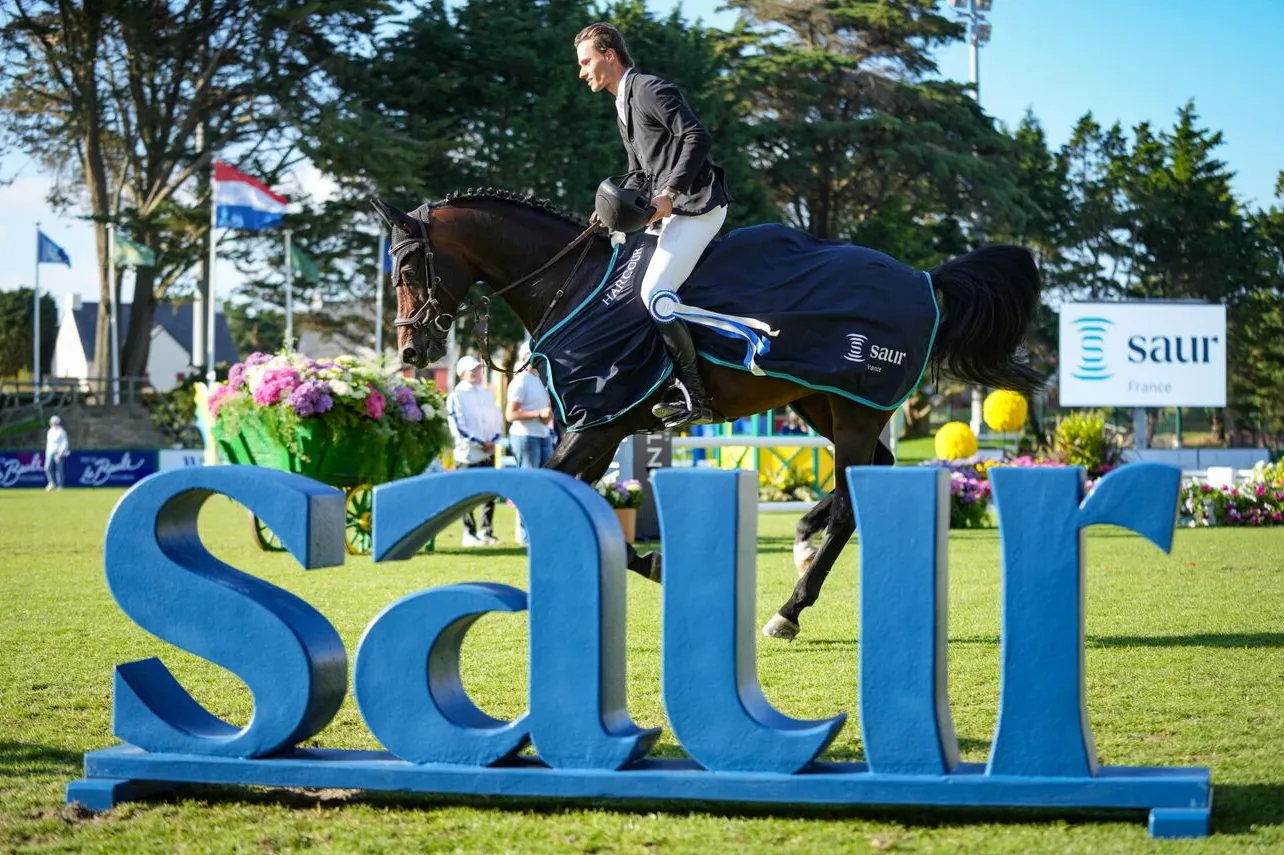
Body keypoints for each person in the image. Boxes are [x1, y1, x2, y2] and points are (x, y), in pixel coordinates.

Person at [575, 21, 731, 429]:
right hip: (668, 212)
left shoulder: (647, 88)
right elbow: (639, 170)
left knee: (655, 294)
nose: (582, 71)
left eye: (587, 61)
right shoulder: (621, 102)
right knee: (624, 291)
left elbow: (696, 135)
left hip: (696, 207)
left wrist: (671, 193)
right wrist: (608, 210)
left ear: (610, 55)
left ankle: (697, 397)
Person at [446, 355, 505, 547]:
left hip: (487, 452)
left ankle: (486, 531)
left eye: (478, 370)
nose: (477, 373)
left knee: (488, 493)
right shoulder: (456, 396)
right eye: (472, 371)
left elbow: (497, 418)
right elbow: (459, 425)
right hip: (468, 453)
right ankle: (468, 532)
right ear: (462, 374)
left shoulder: (486, 393)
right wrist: (480, 442)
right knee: (467, 493)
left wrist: (494, 440)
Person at [505, 340, 555, 546]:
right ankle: (525, 534)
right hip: (525, 437)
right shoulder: (520, 381)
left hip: (543, 435)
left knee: (545, 485)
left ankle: (539, 531)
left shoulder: (540, 380)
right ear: (526, 357)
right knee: (529, 487)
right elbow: (510, 414)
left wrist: (544, 417)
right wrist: (538, 414)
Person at [45, 415, 69, 491]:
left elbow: (65, 443)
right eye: (52, 422)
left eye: (55, 422)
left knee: (59, 470)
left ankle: (60, 485)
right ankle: (52, 483)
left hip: (58, 453)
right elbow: (48, 444)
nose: (53, 424)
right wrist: (47, 453)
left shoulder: (61, 431)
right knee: (47, 468)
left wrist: (61, 452)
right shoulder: (49, 432)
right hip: (50, 452)